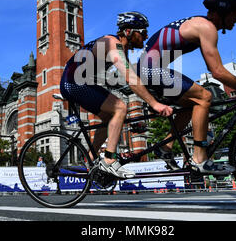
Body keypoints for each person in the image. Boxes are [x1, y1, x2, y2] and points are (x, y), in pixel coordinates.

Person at [137, 0, 236, 175]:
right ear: (224, 10)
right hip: (150, 69)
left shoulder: (200, 23)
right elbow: (217, 72)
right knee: (204, 97)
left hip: (149, 68)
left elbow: (219, 70)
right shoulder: (206, 28)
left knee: (190, 104)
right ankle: (199, 158)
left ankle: (166, 145)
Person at [60, 11, 173, 179]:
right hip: (73, 83)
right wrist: (155, 104)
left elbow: (126, 79)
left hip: (82, 82)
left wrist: (151, 98)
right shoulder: (113, 43)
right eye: (142, 32)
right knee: (120, 107)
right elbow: (130, 78)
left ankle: (90, 162)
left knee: (108, 117)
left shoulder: (121, 49)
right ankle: (109, 161)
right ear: (128, 32)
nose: (146, 36)